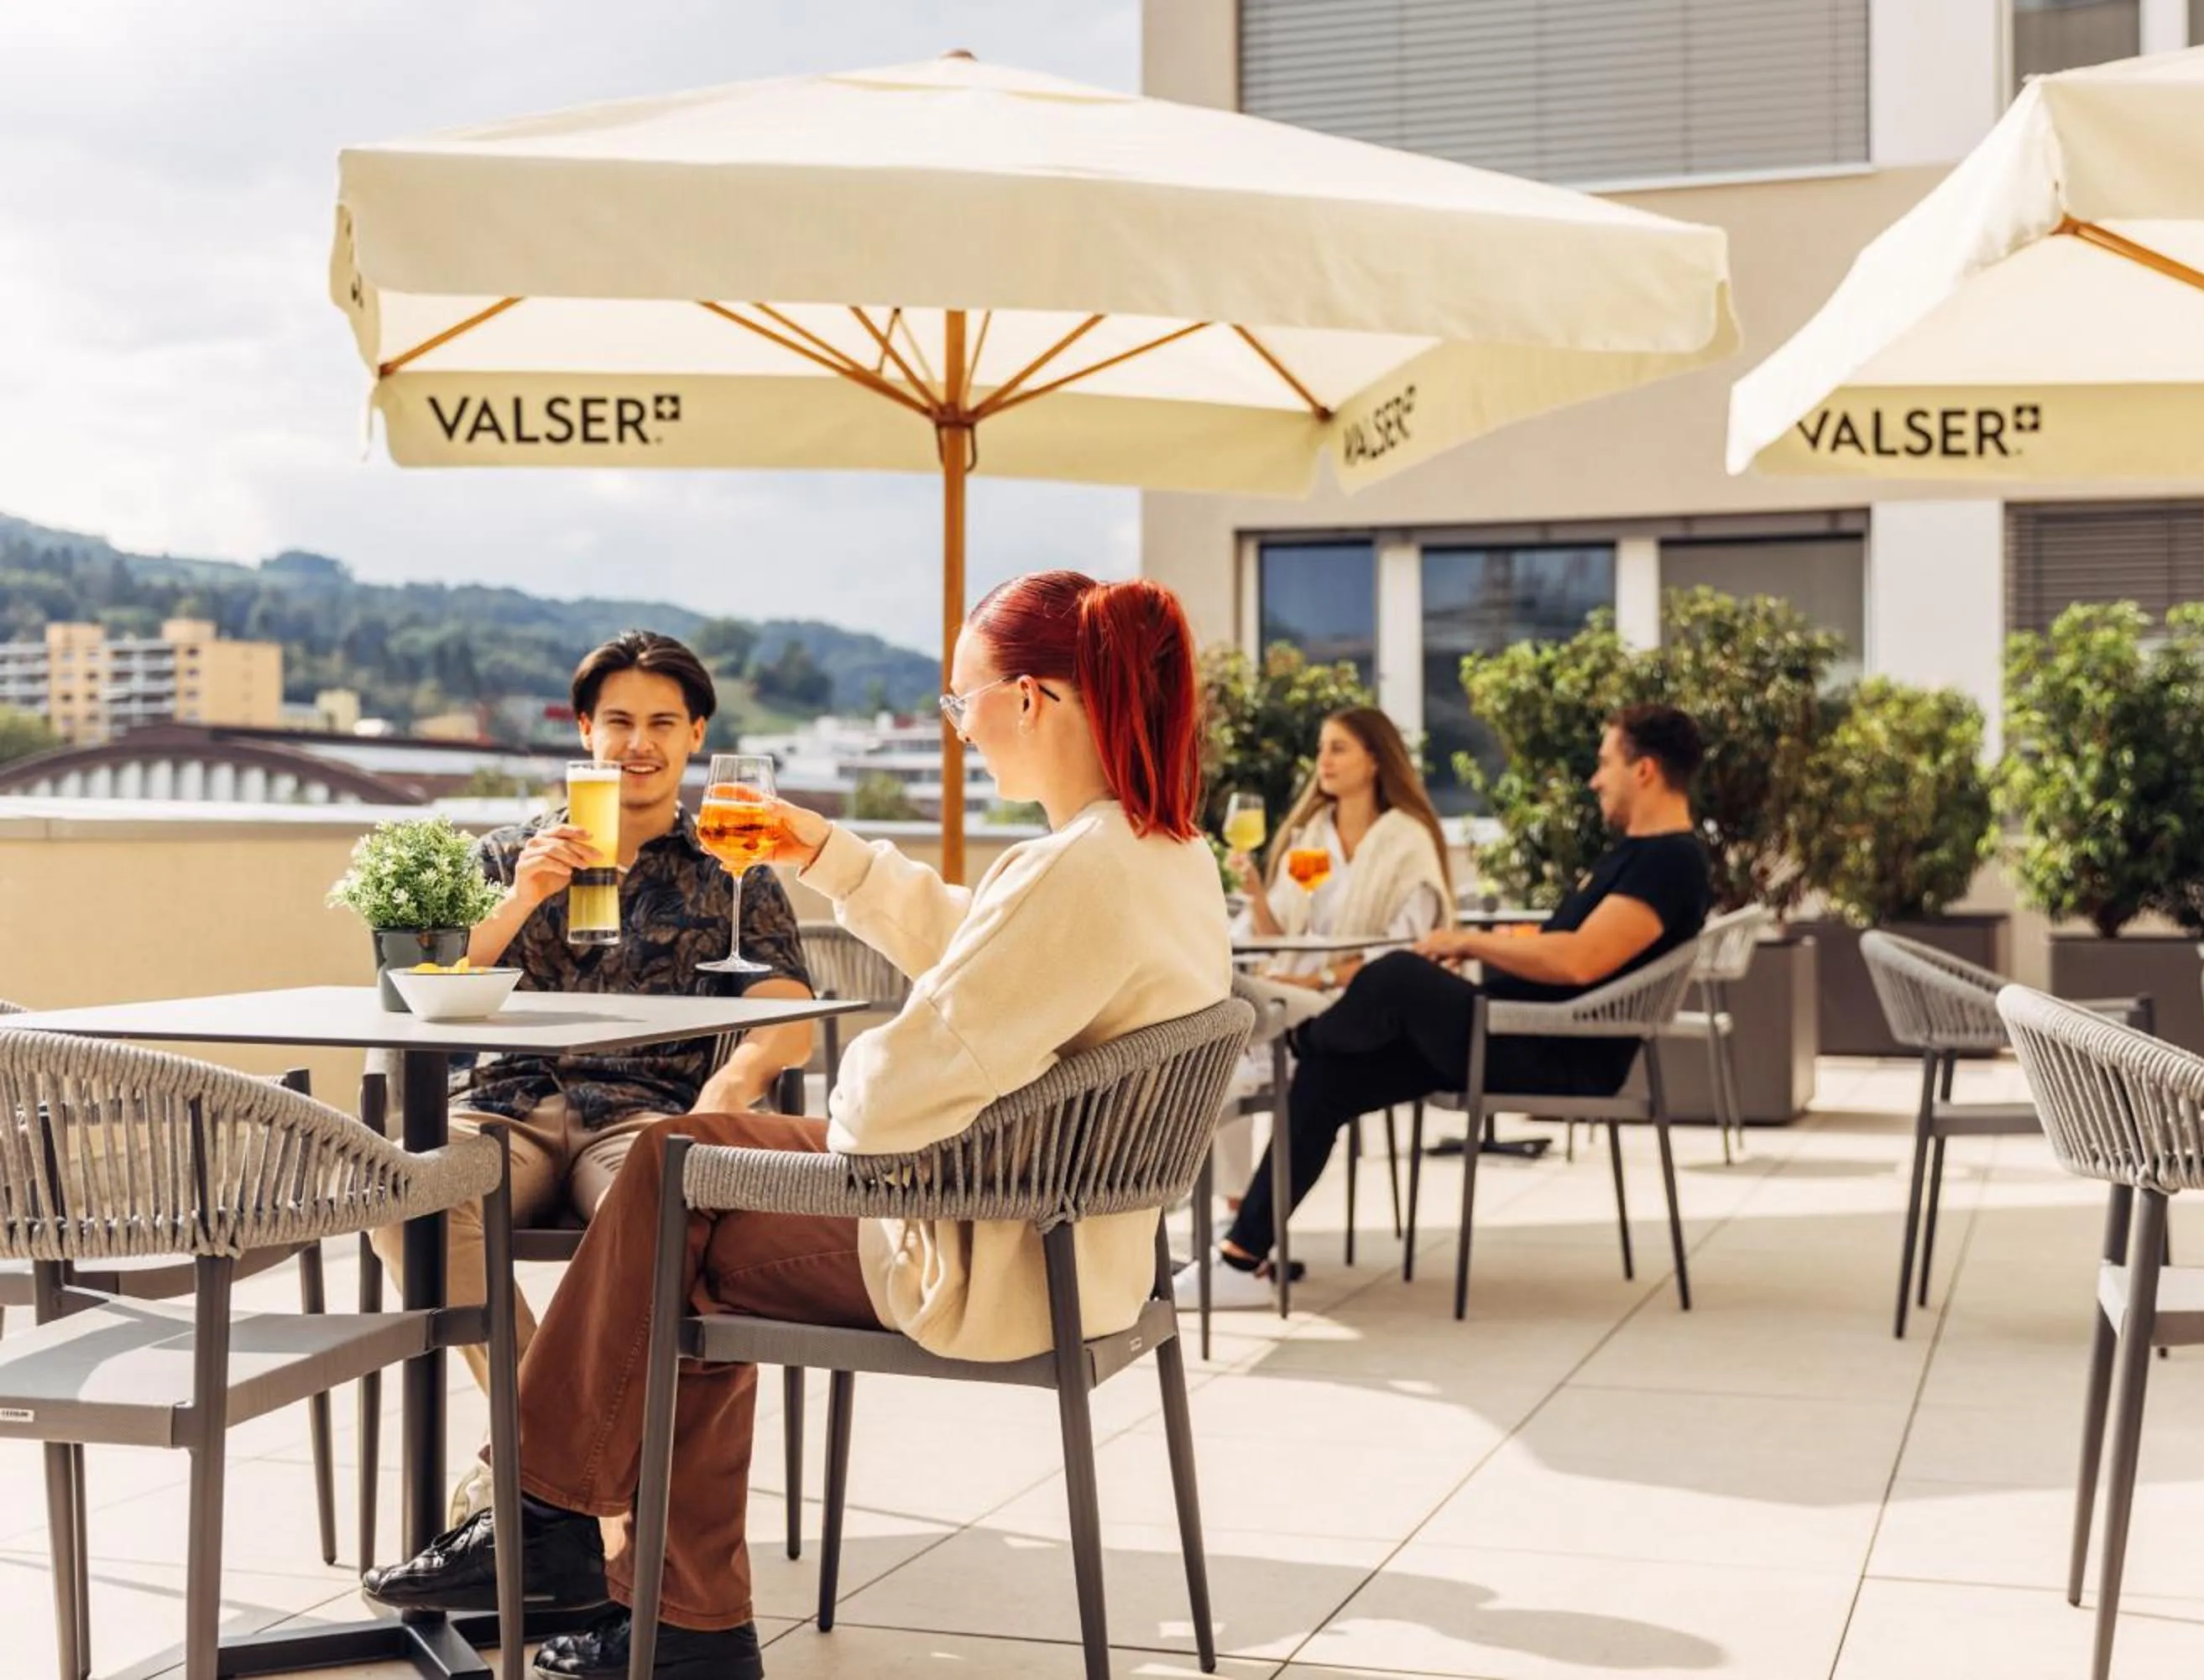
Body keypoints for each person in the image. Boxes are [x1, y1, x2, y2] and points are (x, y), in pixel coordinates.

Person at [363, 573, 1226, 1680]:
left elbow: (898, 1096)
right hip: (1060, 1235)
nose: (960, 733)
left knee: (684, 1205)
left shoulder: (1081, 867)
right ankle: (636, 1585)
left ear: (1031, 698)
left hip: (992, 1247)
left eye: (960, 705)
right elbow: (991, 947)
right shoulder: (1154, 852)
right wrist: (828, 850)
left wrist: (841, 1094)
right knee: (686, 1180)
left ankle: (578, 1533)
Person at [372, 629, 814, 1524]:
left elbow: (789, 1016)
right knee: (404, 1188)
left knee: (670, 1226)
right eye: (617, 721)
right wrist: (522, 895)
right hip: (510, 1106)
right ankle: (566, 1475)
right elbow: (419, 995)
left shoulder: (734, 865)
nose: (638, 742)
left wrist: (727, 1095)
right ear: (583, 731)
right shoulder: (507, 855)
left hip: (644, 1115)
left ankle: (535, 1481)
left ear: (697, 735)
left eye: (661, 722)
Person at [1207, 703, 1713, 1294]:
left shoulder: (1670, 860)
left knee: (1398, 972)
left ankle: (1292, 1038)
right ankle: (1240, 1261)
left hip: (1554, 1047)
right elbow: (1572, 947)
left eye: (1605, 763)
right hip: (1512, 1030)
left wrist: (1471, 940)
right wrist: (1508, 945)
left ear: (1644, 770)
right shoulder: (1633, 855)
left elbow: (1579, 961)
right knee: (1328, 1078)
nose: (1595, 778)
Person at [1200, 707, 1453, 1307]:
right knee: (1215, 1043)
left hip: (1361, 1009)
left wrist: (1323, 973)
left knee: (1229, 1049)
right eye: (1322, 749)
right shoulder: (1312, 839)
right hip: (1294, 992)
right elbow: (1280, 932)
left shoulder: (1404, 841)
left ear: (1375, 758)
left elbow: (1405, 954)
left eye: (1339, 748)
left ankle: (1241, 1232)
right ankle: (1239, 1214)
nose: (1325, 762)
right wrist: (1260, 896)